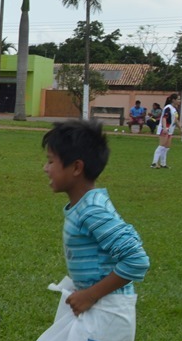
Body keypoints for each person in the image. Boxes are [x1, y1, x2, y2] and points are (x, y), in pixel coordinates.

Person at [42, 120, 150, 315]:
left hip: (107, 312)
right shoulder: (82, 206)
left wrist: (90, 295)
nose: (45, 168)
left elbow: (136, 260)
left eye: (50, 161)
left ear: (76, 168)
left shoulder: (92, 210)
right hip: (95, 307)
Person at [151, 92, 179, 169]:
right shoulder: (168, 108)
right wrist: (164, 128)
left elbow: (175, 120)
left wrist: (180, 128)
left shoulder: (175, 109)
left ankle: (163, 164)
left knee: (167, 147)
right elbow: (164, 118)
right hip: (165, 128)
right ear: (173, 100)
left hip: (170, 129)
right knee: (161, 146)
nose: (179, 101)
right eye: (178, 99)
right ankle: (154, 163)